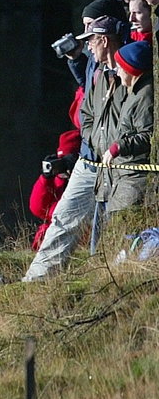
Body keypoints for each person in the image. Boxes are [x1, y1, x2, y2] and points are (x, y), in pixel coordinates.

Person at [23, 14, 126, 280]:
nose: (88, 45)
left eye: (91, 39)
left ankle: (103, 280)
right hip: (89, 161)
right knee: (63, 219)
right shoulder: (100, 73)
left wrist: (113, 147)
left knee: (115, 227)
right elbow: (86, 115)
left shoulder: (130, 71)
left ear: (104, 39)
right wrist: (92, 143)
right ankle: (36, 281)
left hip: (121, 165)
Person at [98, 40, 154, 216]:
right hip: (122, 179)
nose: (118, 72)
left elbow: (148, 135)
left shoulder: (145, 96)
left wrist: (118, 147)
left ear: (131, 69)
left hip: (134, 182)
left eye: (121, 67)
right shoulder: (133, 92)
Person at [29, 128, 82, 250]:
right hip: (51, 235)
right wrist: (45, 178)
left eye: (67, 160)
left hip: (78, 238)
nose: (63, 166)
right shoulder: (55, 180)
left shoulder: (88, 178)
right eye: (61, 160)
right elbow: (37, 209)